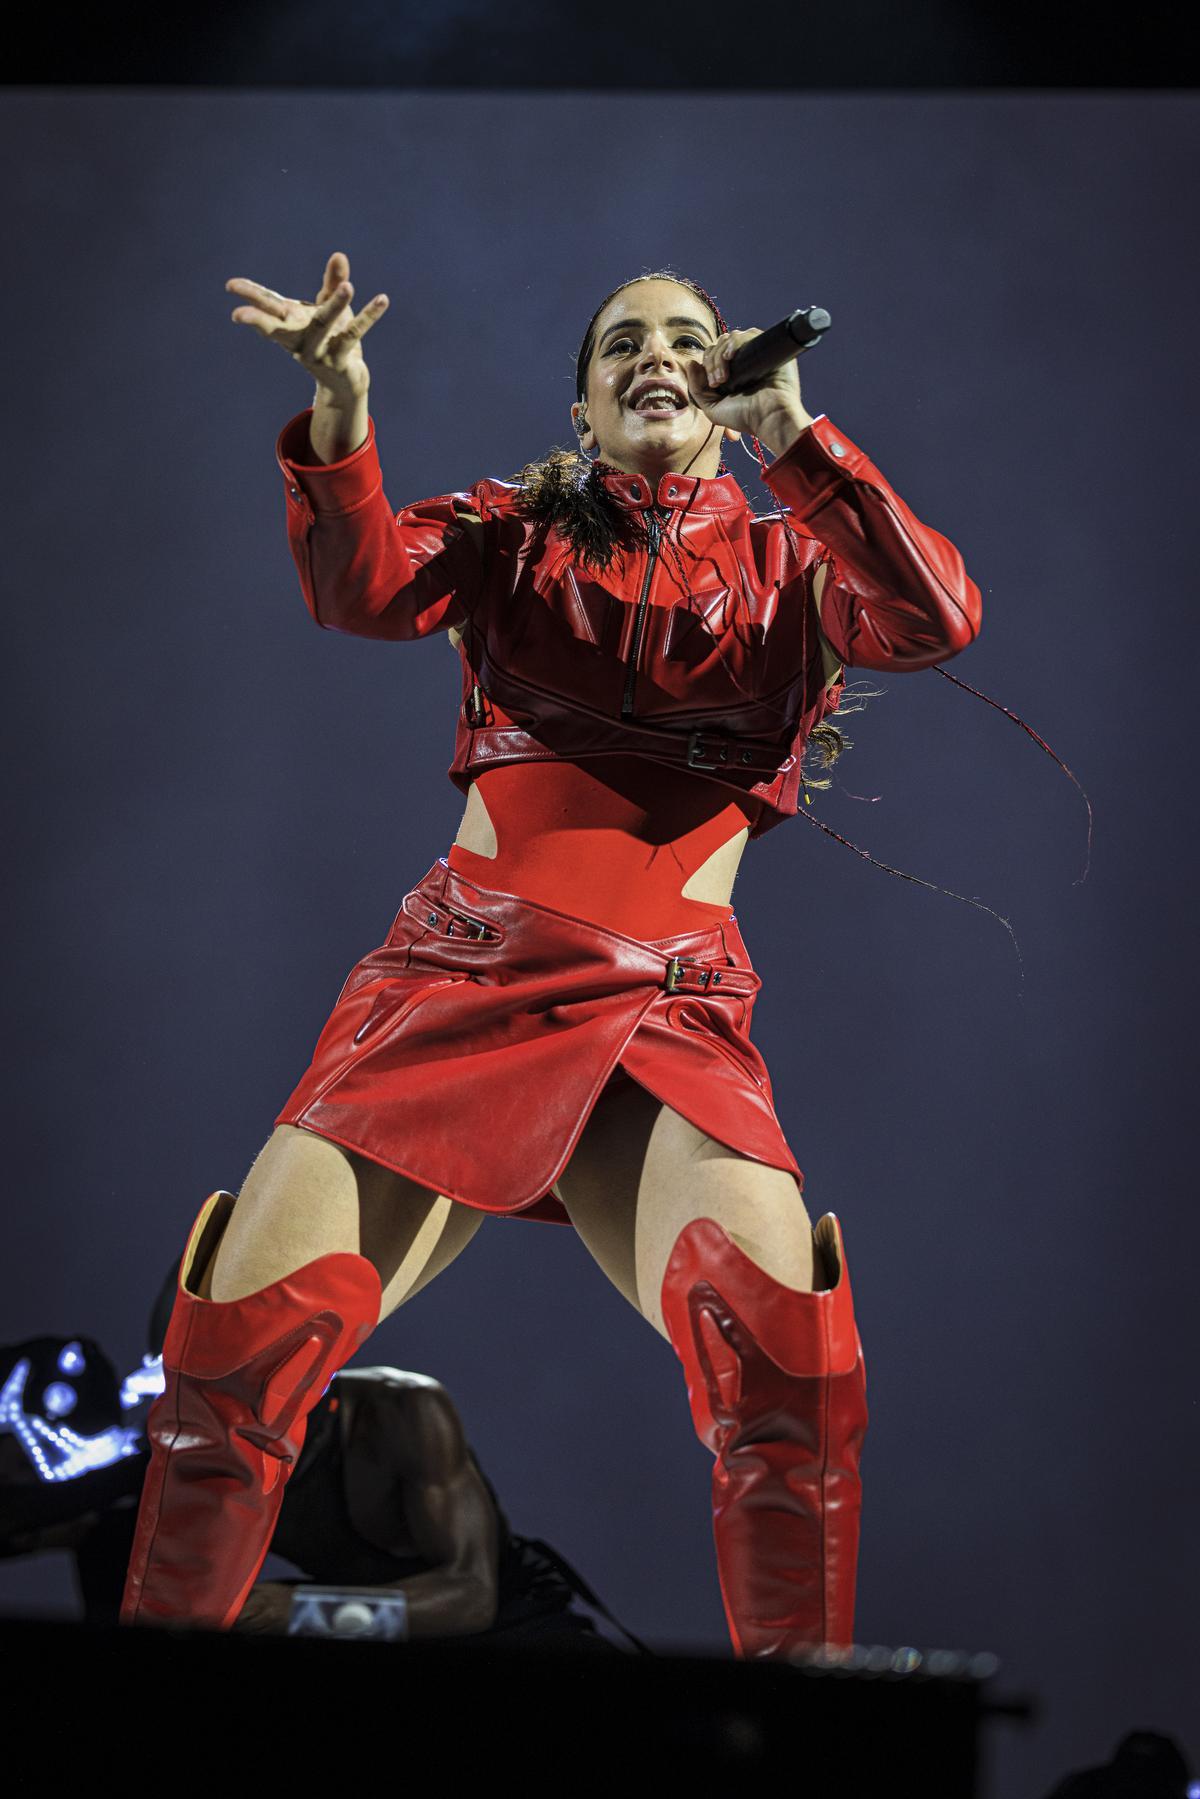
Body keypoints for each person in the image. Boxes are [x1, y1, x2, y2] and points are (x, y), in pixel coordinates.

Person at [119, 251, 982, 1658]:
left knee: (789, 1371)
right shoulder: (512, 530)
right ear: (582, 406)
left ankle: (807, 1735)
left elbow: (939, 620)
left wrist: (796, 442)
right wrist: (342, 408)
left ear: (726, 382)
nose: (659, 353)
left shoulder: (795, 563)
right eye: (622, 342)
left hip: (672, 1010)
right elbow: (362, 585)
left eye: (690, 339)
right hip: (458, 975)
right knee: (235, 1346)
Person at [0, 1305, 640, 1649]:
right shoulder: (194, 1450)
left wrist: (287, 1611)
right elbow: (49, 1519)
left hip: (511, 1632)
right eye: (203, 1395)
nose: (225, 1418)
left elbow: (470, 1599)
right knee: (118, 1543)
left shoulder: (402, 1413)